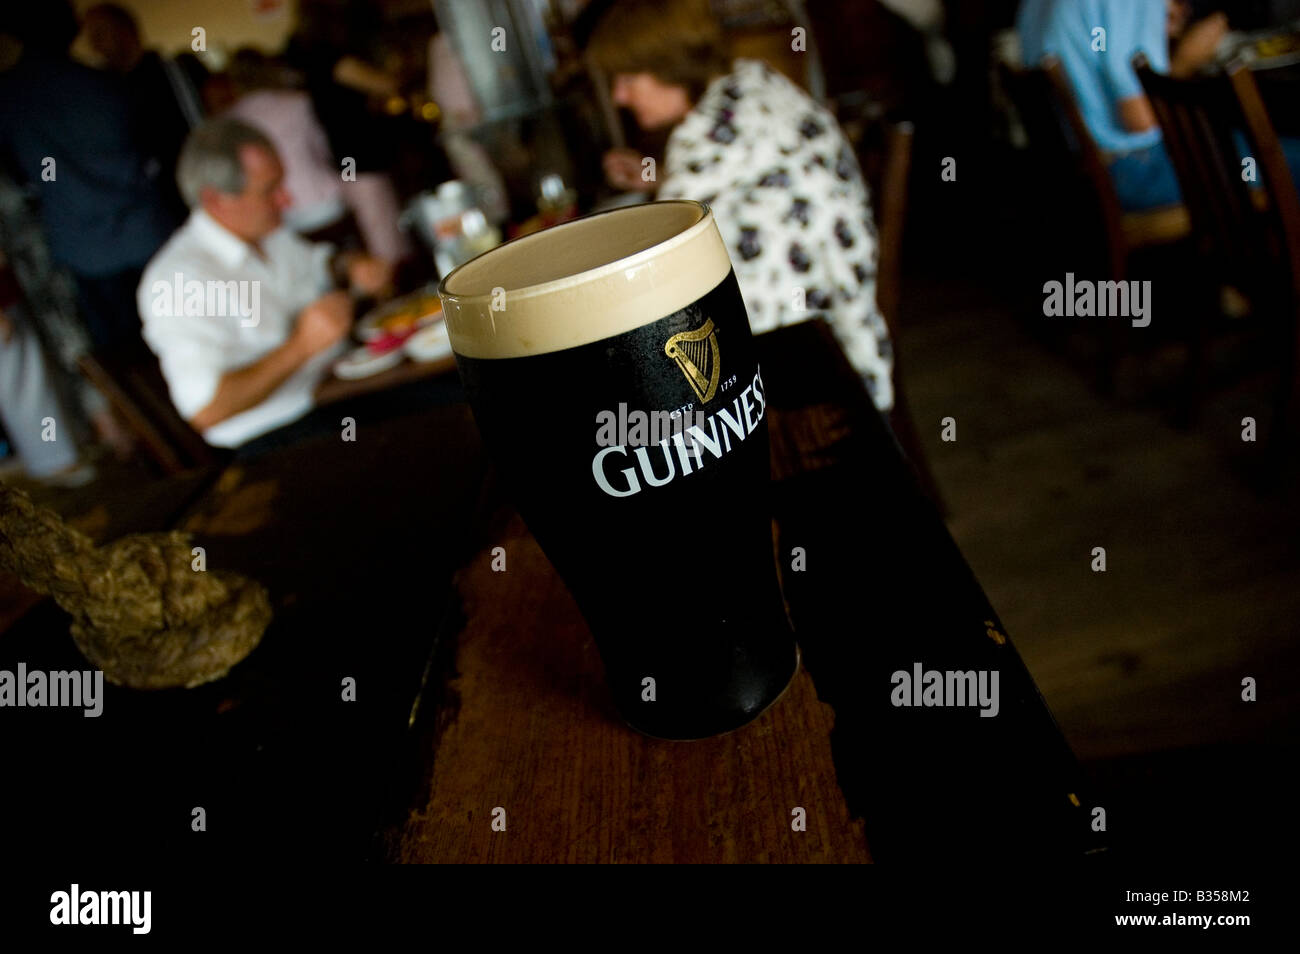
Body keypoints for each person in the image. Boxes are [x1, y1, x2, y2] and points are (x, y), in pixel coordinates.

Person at [585, 0, 895, 412]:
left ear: (669, 65)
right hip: (848, 324)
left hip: (809, 368)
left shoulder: (705, 136)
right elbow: (750, 179)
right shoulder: (754, 83)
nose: (619, 95)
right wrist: (659, 177)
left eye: (627, 77)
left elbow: (660, 265)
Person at [136, 118, 392, 450]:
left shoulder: (267, 232)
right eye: (270, 190)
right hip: (278, 437)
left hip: (336, 391)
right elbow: (205, 410)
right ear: (215, 200)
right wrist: (301, 346)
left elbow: (319, 264)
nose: (287, 200)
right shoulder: (178, 281)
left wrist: (350, 265)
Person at [0, 2, 178, 352]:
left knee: (126, 357)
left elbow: (18, 176)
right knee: (182, 336)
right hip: (147, 235)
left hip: (84, 251)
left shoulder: (10, 97)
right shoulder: (108, 86)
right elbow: (155, 150)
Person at [1016, 0, 1233, 210]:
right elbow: (1141, 119)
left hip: (1067, 174)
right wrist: (1185, 60)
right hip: (1127, 173)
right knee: (1255, 153)